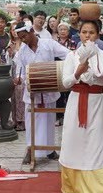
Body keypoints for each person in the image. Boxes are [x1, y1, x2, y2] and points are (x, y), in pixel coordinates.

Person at [59, 20, 103, 193]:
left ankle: (95, 192)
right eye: (84, 32)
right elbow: (66, 83)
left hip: (95, 102)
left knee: (95, 144)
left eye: (92, 32)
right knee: (72, 142)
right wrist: (78, 71)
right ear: (79, 34)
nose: (88, 36)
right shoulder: (72, 56)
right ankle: (71, 186)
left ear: (98, 35)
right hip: (75, 101)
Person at [13, 21, 71, 163]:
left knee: (49, 121)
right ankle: (30, 149)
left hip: (49, 90)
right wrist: (18, 79)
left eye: (24, 36)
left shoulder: (48, 44)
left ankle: (50, 150)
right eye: (20, 38)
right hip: (32, 93)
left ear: (32, 31)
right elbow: (19, 71)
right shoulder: (22, 51)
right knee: (31, 122)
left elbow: (68, 55)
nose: (23, 40)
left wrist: (62, 71)